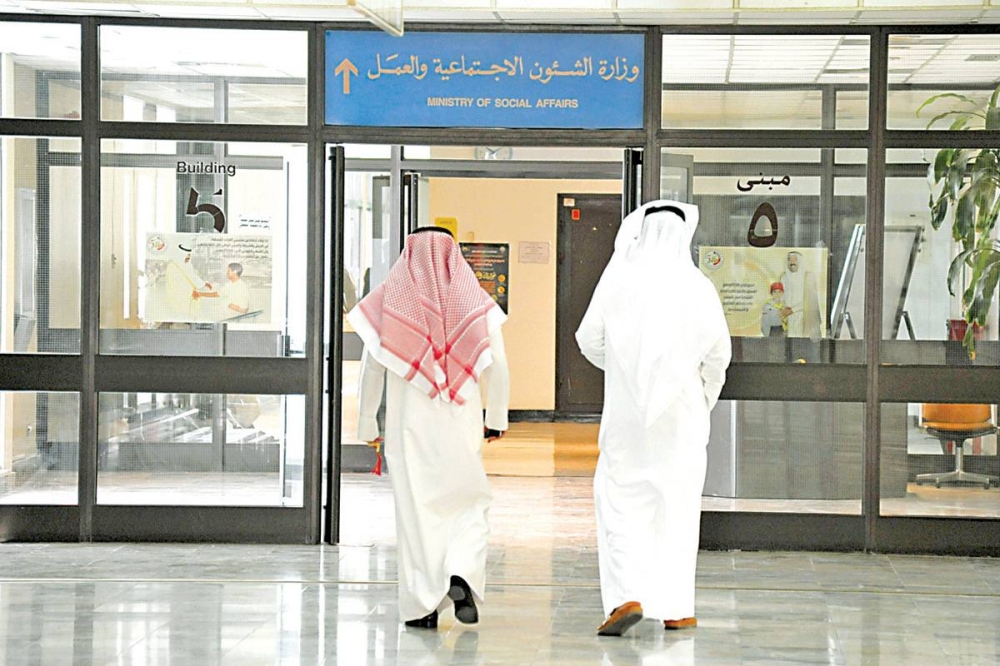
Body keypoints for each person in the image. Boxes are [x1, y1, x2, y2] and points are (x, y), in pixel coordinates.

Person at [575, 200, 731, 637]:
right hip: (683, 417)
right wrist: (702, 399)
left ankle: (626, 597)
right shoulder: (699, 287)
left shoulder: (618, 279)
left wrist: (621, 368)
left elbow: (587, 339)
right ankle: (677, 608)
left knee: (620, 502)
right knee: (678, 507)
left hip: (626, 415)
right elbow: (719, 357)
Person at [347, 226, 510, 630]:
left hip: (409, 428)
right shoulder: (474, 300)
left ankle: (422, 607)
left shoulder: (390, 299)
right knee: (470, 502)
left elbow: (373, 368)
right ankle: (462, 572)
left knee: (417, 514)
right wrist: (496, 418)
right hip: (460, 423)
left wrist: (366, 423)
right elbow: (498, 364)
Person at [780, 250, 822, 338]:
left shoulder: (808, 277)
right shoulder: (783, 278)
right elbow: (781, 298)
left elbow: (811, 301)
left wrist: (793, 310)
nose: (792, 262)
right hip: (788, 318)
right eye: (789, 260)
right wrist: (784, 309)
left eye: (795, 259)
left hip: (803, 316)